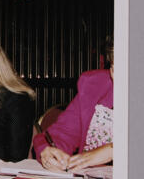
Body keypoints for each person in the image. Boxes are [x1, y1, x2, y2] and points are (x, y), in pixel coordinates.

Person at [34, 39, 114, 171]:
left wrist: (114, 150)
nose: (118, 77)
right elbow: (62, 134)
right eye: (113, 68)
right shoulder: (94, 86)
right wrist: (51, 153)